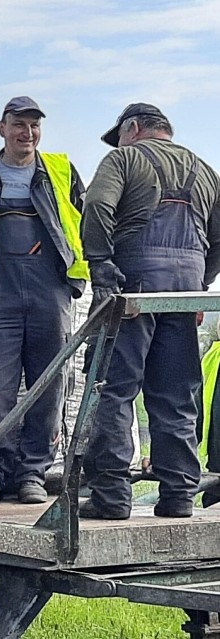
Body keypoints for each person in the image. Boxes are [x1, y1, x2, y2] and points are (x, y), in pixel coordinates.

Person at [80, 103, 220, 519]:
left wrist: (101, 265)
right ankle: (178, 495)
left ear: (133, 128)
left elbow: (98, 207)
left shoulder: (124, 158)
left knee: (113, 387)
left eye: (119, 134)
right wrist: (200, 281)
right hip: (185, 290)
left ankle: (111, 496)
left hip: (132, 286)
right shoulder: (205, 169)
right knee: (176, 393)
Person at [0, 97, 88, 505]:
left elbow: (87, 221)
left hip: (49, 288)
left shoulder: (61, 170)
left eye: (34, 125)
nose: (27, 133)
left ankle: (33, 473)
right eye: (19, 124)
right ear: (1, 128)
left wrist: (78, 277)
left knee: (48, 383)